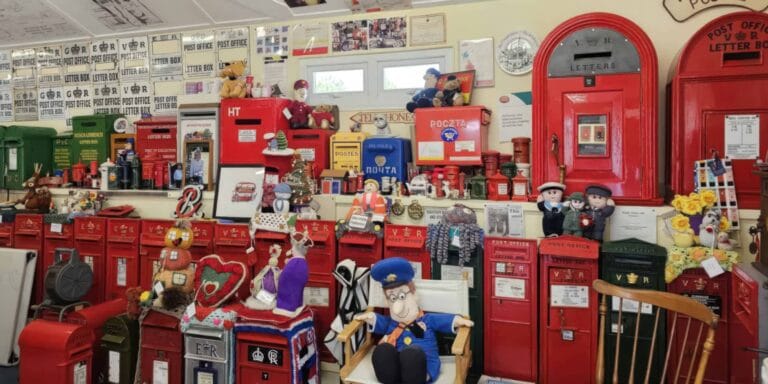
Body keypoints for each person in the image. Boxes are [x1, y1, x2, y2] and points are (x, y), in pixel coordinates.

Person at [354, 258, 473, 384]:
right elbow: (380, 321)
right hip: (397, 365)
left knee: (412, 356)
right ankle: (391, 378)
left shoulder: (427, 320)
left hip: (424, 365)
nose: (397, 306)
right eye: (392, 298)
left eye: (401, 296)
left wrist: (458, 321)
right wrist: (370, 317)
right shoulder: (392, 323)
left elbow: (444, 321)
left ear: (413, 294)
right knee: (383, 351)